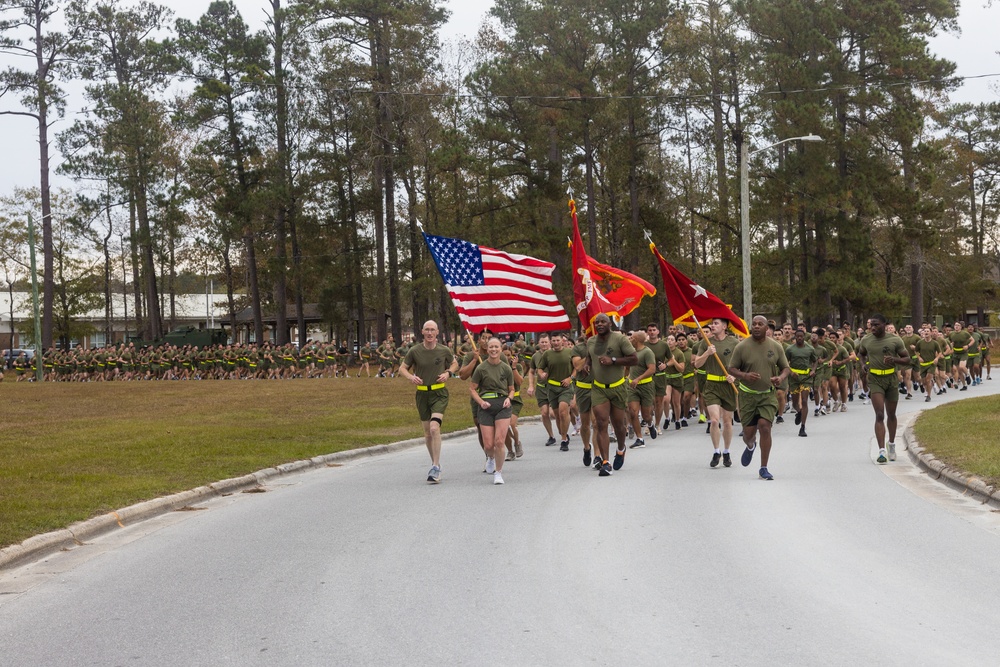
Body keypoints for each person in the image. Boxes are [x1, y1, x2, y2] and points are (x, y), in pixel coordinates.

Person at [729, 315, 790, 480]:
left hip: (767, 395)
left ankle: (764, 467)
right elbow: (731, 369)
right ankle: (751, 446)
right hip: (747, 396)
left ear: (766, 328)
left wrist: (781, 378)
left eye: (760, 324)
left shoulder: (775, 347)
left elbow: (785, 368)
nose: (756, 326)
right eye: (754, 324)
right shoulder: (742, 346)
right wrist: (744, 375)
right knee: (748, 435)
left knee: (764, 427)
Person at [399, 320, 458, 483]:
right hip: (422, 395)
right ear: (422, 332)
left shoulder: (444, 350)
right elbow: (402, 368)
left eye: (433, 330)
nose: (430, 333)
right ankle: (434, 464)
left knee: (434, 428)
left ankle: (436, 466)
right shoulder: (415, 351)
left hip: (439, 393)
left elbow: (454, 363)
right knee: (427, 433)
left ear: (437, 332)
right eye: (427, 330)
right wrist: (411, 377)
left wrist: (448, 373)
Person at [585, 314, 637, 476]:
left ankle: (621, 449)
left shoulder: (619, 339)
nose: (599, 324)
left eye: (602, 322)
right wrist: (587, 364)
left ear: (609, 323)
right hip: (598, 388)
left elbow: (634, 359)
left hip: (617, 387)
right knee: (601, 423)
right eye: (597, 322)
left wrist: (613, 360)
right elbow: (590, 357)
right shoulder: (591, 341)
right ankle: (606, 462)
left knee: (619, 426)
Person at [856, 313, 910, 464]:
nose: (872, 327)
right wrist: (863, 365)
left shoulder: (895, 340)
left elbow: (907, 359)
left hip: (891, 379)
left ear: (884, 325)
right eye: (871, 325)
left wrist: (894, 359)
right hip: (875, 380)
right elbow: (861, 354)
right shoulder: (866, 339)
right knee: (879, 415)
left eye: (876, 325)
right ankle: (881, 451)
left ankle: (891, 444)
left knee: (891, 414)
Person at [692, 318, 739, 468]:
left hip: (728, 384)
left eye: (716, 323)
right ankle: (716, 451)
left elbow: (742, 364)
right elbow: (697, 364)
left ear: (724, 326)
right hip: (711, 384)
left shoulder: (734, 343)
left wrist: (735, 376)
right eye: (712, 323)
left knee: (727, 421)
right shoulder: (706, 342)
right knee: (714, 420)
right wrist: (707, 352)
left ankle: (726, 451)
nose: (712, 326)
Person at [470, 337, 516, 485]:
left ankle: (498, 472)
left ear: (501, 349)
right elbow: (472, 389)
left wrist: (509, 398)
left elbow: (512, 389)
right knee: (489, 445)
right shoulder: (481, 368)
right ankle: (490, 457)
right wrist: (481, 402)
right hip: (486, 406)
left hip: (502, 405)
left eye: (496, 347)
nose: (494, 350)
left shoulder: (506, 368)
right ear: (487, 349)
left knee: (499, 441)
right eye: (491, 347)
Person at [536, 332, 576, 451]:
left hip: (566, 387)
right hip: (552, 388)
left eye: (558, 340)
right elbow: (540, 368)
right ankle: (563, 434)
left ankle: (564, 440)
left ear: (562, 341)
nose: (556, 343)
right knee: (558, 415)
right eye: (553, 341)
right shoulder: (548, 354)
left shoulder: (569, 352)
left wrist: (570, 378)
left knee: (564, 411)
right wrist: (542, 374)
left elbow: (576, 368)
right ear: (551, 342)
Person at [784, 328, 818, 437]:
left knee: (804, 401)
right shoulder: (790, 349)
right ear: (795, 337)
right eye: (797, 336)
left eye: (801, 336)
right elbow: (785, 362)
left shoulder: (810, 349)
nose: (799, 338)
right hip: (794, 377)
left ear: (804, 337)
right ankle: (799, 412)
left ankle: (803, 427)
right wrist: (791, 372)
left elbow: (815, 360)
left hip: (806, 377)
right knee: (795, 403)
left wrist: (813, 370)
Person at [626, 330, 657, 449]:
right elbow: (628, 368)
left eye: (632, 338)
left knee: (646, 415)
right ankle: (640, 439)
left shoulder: (647, 352)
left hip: (646, 387)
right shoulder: (631, 353)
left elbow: (652, 369)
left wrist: (638, 379)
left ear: (637, 340)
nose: (630, 339)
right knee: (633, 412)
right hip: (633, 387)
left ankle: (650, 424)